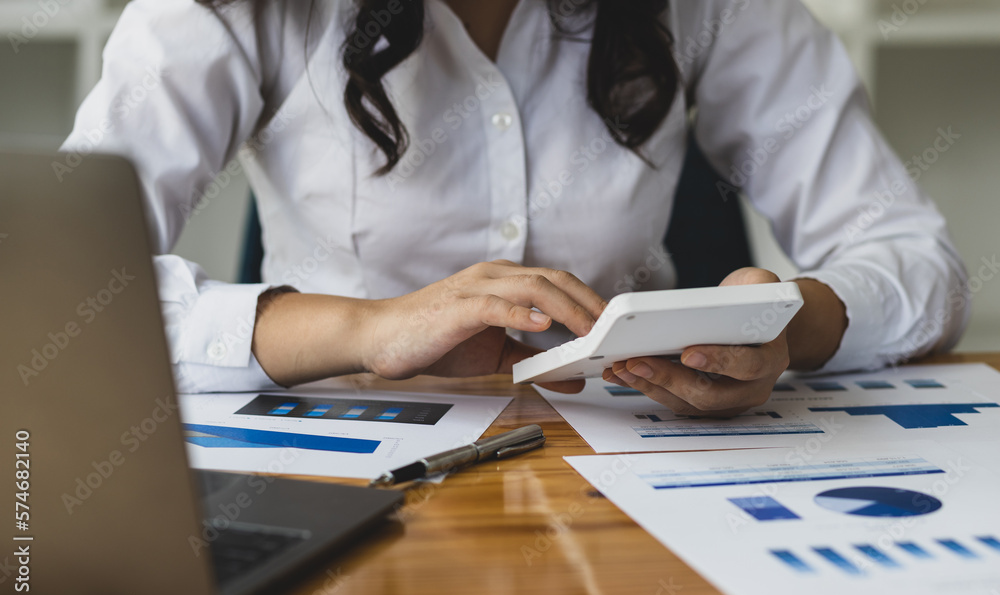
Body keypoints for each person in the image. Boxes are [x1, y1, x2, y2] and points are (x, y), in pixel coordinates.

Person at [61, 0, 969, 417]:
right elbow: (52, 296)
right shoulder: (224, 12)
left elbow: (916, 260)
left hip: (634, 487)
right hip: (343, 485)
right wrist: (366, 330)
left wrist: (786, 327)